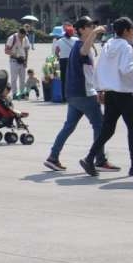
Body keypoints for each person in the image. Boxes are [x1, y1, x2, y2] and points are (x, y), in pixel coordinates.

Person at [44, 17, 118, 173]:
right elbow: (84, 51)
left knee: (69, 126)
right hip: (84, 93)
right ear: (82, 30)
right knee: (100, 125)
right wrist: (96, 32)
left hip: (74, 93)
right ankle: (100, 159)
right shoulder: (80, 46)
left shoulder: (81, 45)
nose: (93, 28)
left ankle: (53, 157)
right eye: (90, 26)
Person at [81, 17, 133, 177]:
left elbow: (99, 69)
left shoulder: (108, 45)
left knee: (107, 130)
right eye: (132, 29)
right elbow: (127, 69)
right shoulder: (125, 46)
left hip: (110, 93)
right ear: (126, 31)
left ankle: (89, 158)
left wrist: (100, 89)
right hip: (124, 94)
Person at [5, 26, 30, 99]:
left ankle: (22, 93)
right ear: (18, 33)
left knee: (23, 78)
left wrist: (26, 61)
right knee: (14, 79)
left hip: (22, 60)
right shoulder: (12, 38)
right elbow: (6, 51)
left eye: (24, 36)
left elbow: (26, 50)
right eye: (21, 36)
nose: (22, 38)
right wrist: (16, 55)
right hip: (14, 60)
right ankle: (15, 94)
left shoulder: (25, 38)